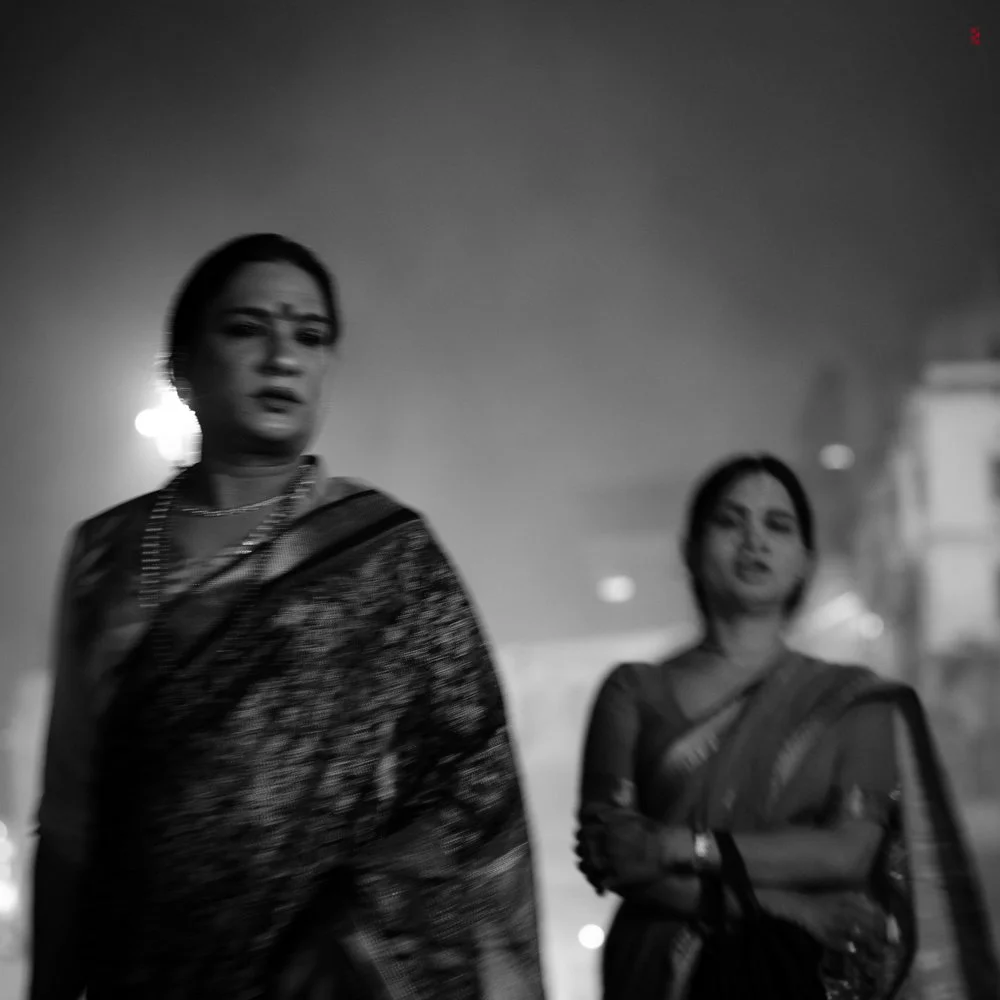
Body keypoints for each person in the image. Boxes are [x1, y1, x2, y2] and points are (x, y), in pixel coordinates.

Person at [30, 233, 546, 1000]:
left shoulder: (390, 554)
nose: (282, 358)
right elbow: (72, 819)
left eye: (310, 336)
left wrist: (352, 926)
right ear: (182, 367)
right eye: (247, 329)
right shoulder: (105, 556)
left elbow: (475, 785)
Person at [575, 453, 1000, 1000]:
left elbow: (846, 851)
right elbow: (615, 857)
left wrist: (680, 845)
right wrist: (789, 906)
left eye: (777, 526)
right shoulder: (632, 692)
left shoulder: (853, 701)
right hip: (662, 974)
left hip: (803, 975)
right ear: (690, 549)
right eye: (730, 522)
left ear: (805, 562)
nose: (754, 541)